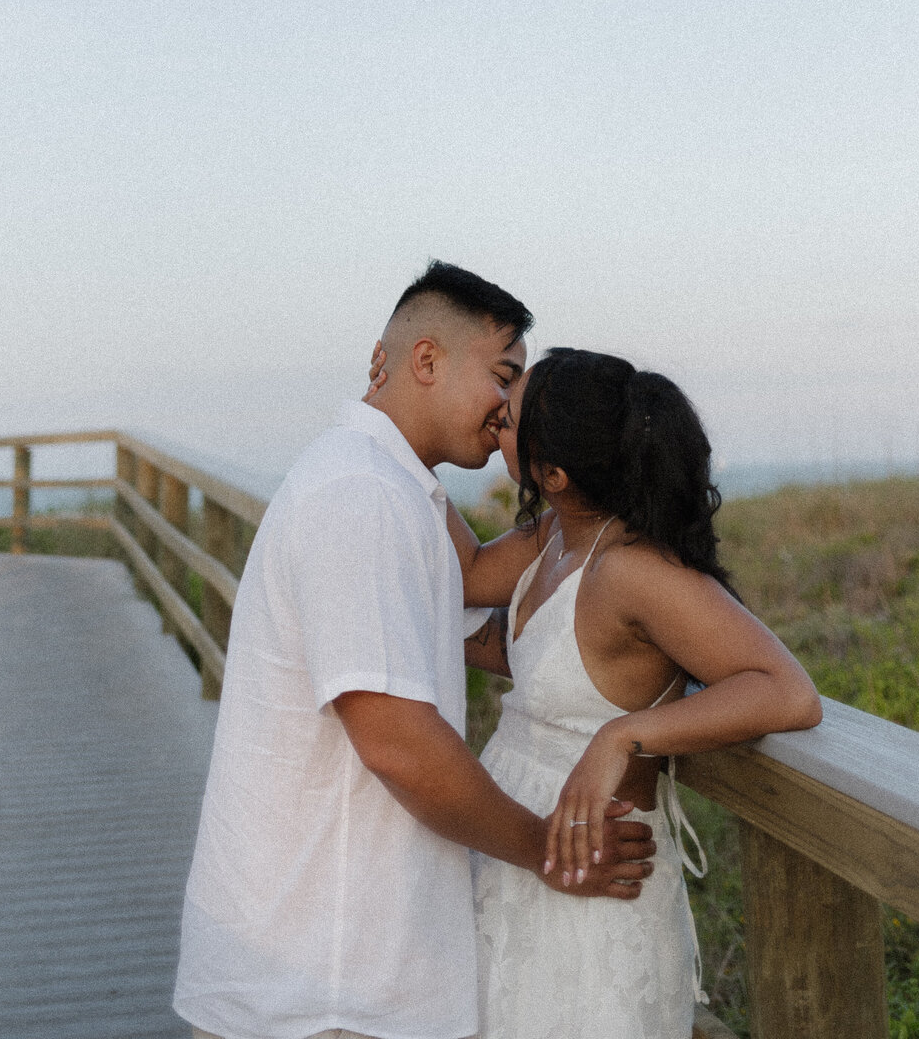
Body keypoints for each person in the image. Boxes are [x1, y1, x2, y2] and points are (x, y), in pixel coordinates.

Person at [174, 266, 658, 1039]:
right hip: (324, 985)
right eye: (503, 376)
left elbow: (471, 589)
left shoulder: (392, 489)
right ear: (426, 361)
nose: (509, 410)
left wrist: (603, 480)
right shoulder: (359, 498)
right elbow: (399, 743)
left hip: (335, 968)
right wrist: (547, 849)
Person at [370, 343, 822, 1039]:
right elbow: (462, 579)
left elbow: (787, 692)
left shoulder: (632, 570)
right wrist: (401, 434)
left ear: (552, 472)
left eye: (510, 418)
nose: (496, 418)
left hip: (593, 880)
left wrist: (623, 735)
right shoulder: (556, 536)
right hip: (517, 856)